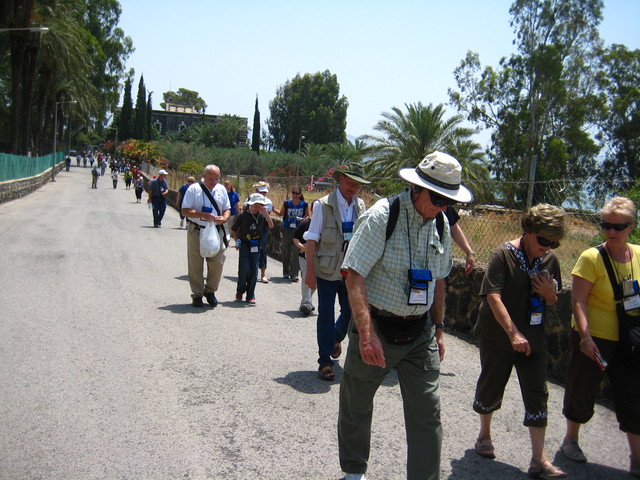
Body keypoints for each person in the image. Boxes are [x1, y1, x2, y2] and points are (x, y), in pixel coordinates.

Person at [337, 152, 472, 480]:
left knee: (428, 413)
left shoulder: (441, 224)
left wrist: (438, 328)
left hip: (420, 333)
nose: (442, 206)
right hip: (378, 325)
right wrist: (367, 335)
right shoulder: (384, 216)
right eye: (438, 197)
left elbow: (439, 279)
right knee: (357, 404)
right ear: (417, 188)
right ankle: (354, 472)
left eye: (448, 200)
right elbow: (353, 275)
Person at [472, 203, 567, 478]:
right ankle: (484, 436)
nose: (547, 247)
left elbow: (553, 300)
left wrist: (550, 293)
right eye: (543, 240)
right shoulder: (503, 254)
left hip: (533, 338)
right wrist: (513, 333)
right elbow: (492, 296)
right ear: (527, 231)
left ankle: (539, 459)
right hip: (499, 335)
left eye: (554, 243)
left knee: (537, 391)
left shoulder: (550, 260)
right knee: (492, 382)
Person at [561, 197, 640, 477]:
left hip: (629, 339)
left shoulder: (639, 255)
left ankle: (636, 456)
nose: (611, 231)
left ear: (630, 227)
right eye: (606, 225)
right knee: (582, 388)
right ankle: (571, 439)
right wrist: (585, 338)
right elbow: (578, 302)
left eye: (618, 226)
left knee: (633, 395)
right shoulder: (591, 257)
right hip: (595, 337)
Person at [304, 162, 370, 381]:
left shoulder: (361, 206)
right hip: (326, 269)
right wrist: (310, 272)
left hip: (351, 269)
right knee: (325, 313)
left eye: (357, 184)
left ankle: (335, 338)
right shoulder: (323, 205)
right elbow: (312, 240)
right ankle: (324, 361)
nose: (353, 187)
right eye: (350, 182)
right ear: (341, 179)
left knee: (351, 311)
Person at [180, 164, 231, 308]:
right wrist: (203, 215)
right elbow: (184, 211)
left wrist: (225, 218)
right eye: (211, 179)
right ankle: (197, 294)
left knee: (218, 261)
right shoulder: (194, 189)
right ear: (204, 176)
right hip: (196, 229)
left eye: (216, 179)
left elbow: (227, 208)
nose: (214, 182)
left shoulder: (221, 189)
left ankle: (210, 291)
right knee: (195, 263)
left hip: (215, 230)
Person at [231, 193, 274, 304]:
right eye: (255, 206)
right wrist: (237, 241)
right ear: (250, 205)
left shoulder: (262, 216)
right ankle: (240, 291)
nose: (257, 208)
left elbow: (271, 226)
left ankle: (251, 295)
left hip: (256, 246)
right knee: (244, 269)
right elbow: (234, 230)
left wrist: (266, 214)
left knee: (254, 272)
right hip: (244, 245)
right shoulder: (242, 216)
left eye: (259, 206)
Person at [280, 186, 309, 282]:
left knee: (297, 251)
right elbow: (281, 213)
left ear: (300, 194)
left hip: (299, 230)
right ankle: (285, 272)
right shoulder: (287, 203)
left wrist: (304, 219)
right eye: (294, 193)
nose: (295, 195)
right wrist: (271, 209)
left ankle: (294, 274)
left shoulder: (304, 204)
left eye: (297, 193)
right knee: (286, 251)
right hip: (288, 229)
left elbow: (308, 215)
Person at [252, 181, 279, 283]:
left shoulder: (268, 202)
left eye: (264, 192)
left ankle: (263, 274)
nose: (263, 194)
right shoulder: (250, 199)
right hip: (251, 227)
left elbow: (267, 217)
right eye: (261, 192)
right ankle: (249, 271)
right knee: (250, 249)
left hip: (263, 228)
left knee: (262, 249)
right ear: (256, 191)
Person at [293, 202, 315, 316]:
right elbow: (295, 238)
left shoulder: (324, 225)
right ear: (311, 209)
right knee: (306, 276)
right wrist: (303, 248)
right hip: (304, 256)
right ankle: (306, 303)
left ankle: (308, 301)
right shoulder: (305, 223)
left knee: (315, 281)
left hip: (318, 258)